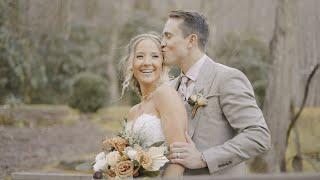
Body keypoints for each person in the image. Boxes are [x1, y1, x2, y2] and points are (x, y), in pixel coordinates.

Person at [161, 10, 271, 175]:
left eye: (168, 36)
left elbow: (258, 135)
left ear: (191, 40)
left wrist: (204, 158)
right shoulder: (168, 88)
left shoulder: (226, 79)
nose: (162, 43)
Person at [120, 33, 188, 177]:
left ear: (163, 62)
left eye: (155, 56)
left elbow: (179, 159)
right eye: (140, 56)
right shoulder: (133, 111)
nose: (147, 62)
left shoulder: (165, 95)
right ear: (131, 64)